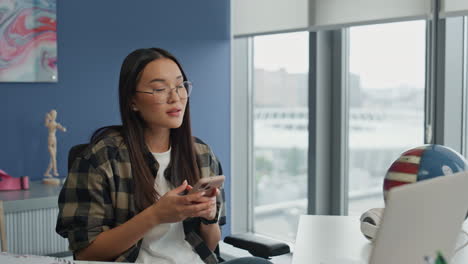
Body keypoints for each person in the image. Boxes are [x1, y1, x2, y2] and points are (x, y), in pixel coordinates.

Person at [56, 48, 272, 264]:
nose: (175, 97)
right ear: (132, 101)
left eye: (180, 86)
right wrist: (156, 215)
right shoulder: (100, 158)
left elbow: (211, 245)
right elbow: (87, 253)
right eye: (160, 89)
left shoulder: (202, 154)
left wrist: (209, 218)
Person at [44, 109, 66, 178]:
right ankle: (55, 171)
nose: (55, 116)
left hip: (54, 139)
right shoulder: (53, 123)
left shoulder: (54, 123)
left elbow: (62, 129)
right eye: (53, 115)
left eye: (55, 115)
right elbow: (61, 128)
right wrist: (47, 118)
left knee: (53, 158)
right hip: (51, 139)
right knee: (53, 158)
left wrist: (62, 128)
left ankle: (47, 173)